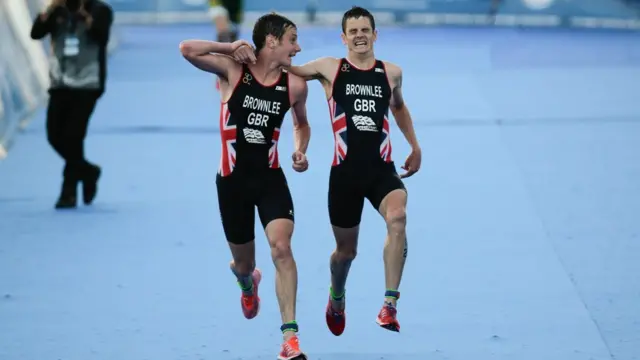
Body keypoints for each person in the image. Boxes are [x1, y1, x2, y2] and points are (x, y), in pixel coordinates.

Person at [180, 13, 310, 360]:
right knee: (243, 264)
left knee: (281, 248)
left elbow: (302, 124)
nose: (297, 48)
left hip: (270, 181)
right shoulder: (233, 72)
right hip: (232, 184)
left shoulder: (295, 85)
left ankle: (290, 338)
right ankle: (247, 281)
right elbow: (186, 49)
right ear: (271, 41)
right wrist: (229, 46)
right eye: (292, 40)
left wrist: (300, 150)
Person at [285, 6, 421, 335]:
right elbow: (284, 71)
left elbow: (399, 108)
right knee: (346, 253)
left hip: (381, 172)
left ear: (375, 35)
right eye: (353, 31)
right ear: (343, 38)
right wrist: (251, 53)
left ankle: (389, 305)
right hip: (344, 176)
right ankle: (337, 295)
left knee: (398, 217)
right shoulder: (329, 69)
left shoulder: (391, 73)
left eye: (365, 30)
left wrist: (414, 146)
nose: (360, 36)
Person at [30, 0, 113, 209]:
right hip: (60, 83)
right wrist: (48, 12)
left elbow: (101, 37)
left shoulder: (100, 10)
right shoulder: (57, 10)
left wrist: (86, 17)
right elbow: (36, 33)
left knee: (73, 136)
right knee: (54, 136)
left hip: (87, 84)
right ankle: (88, 171)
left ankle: (68, 193)